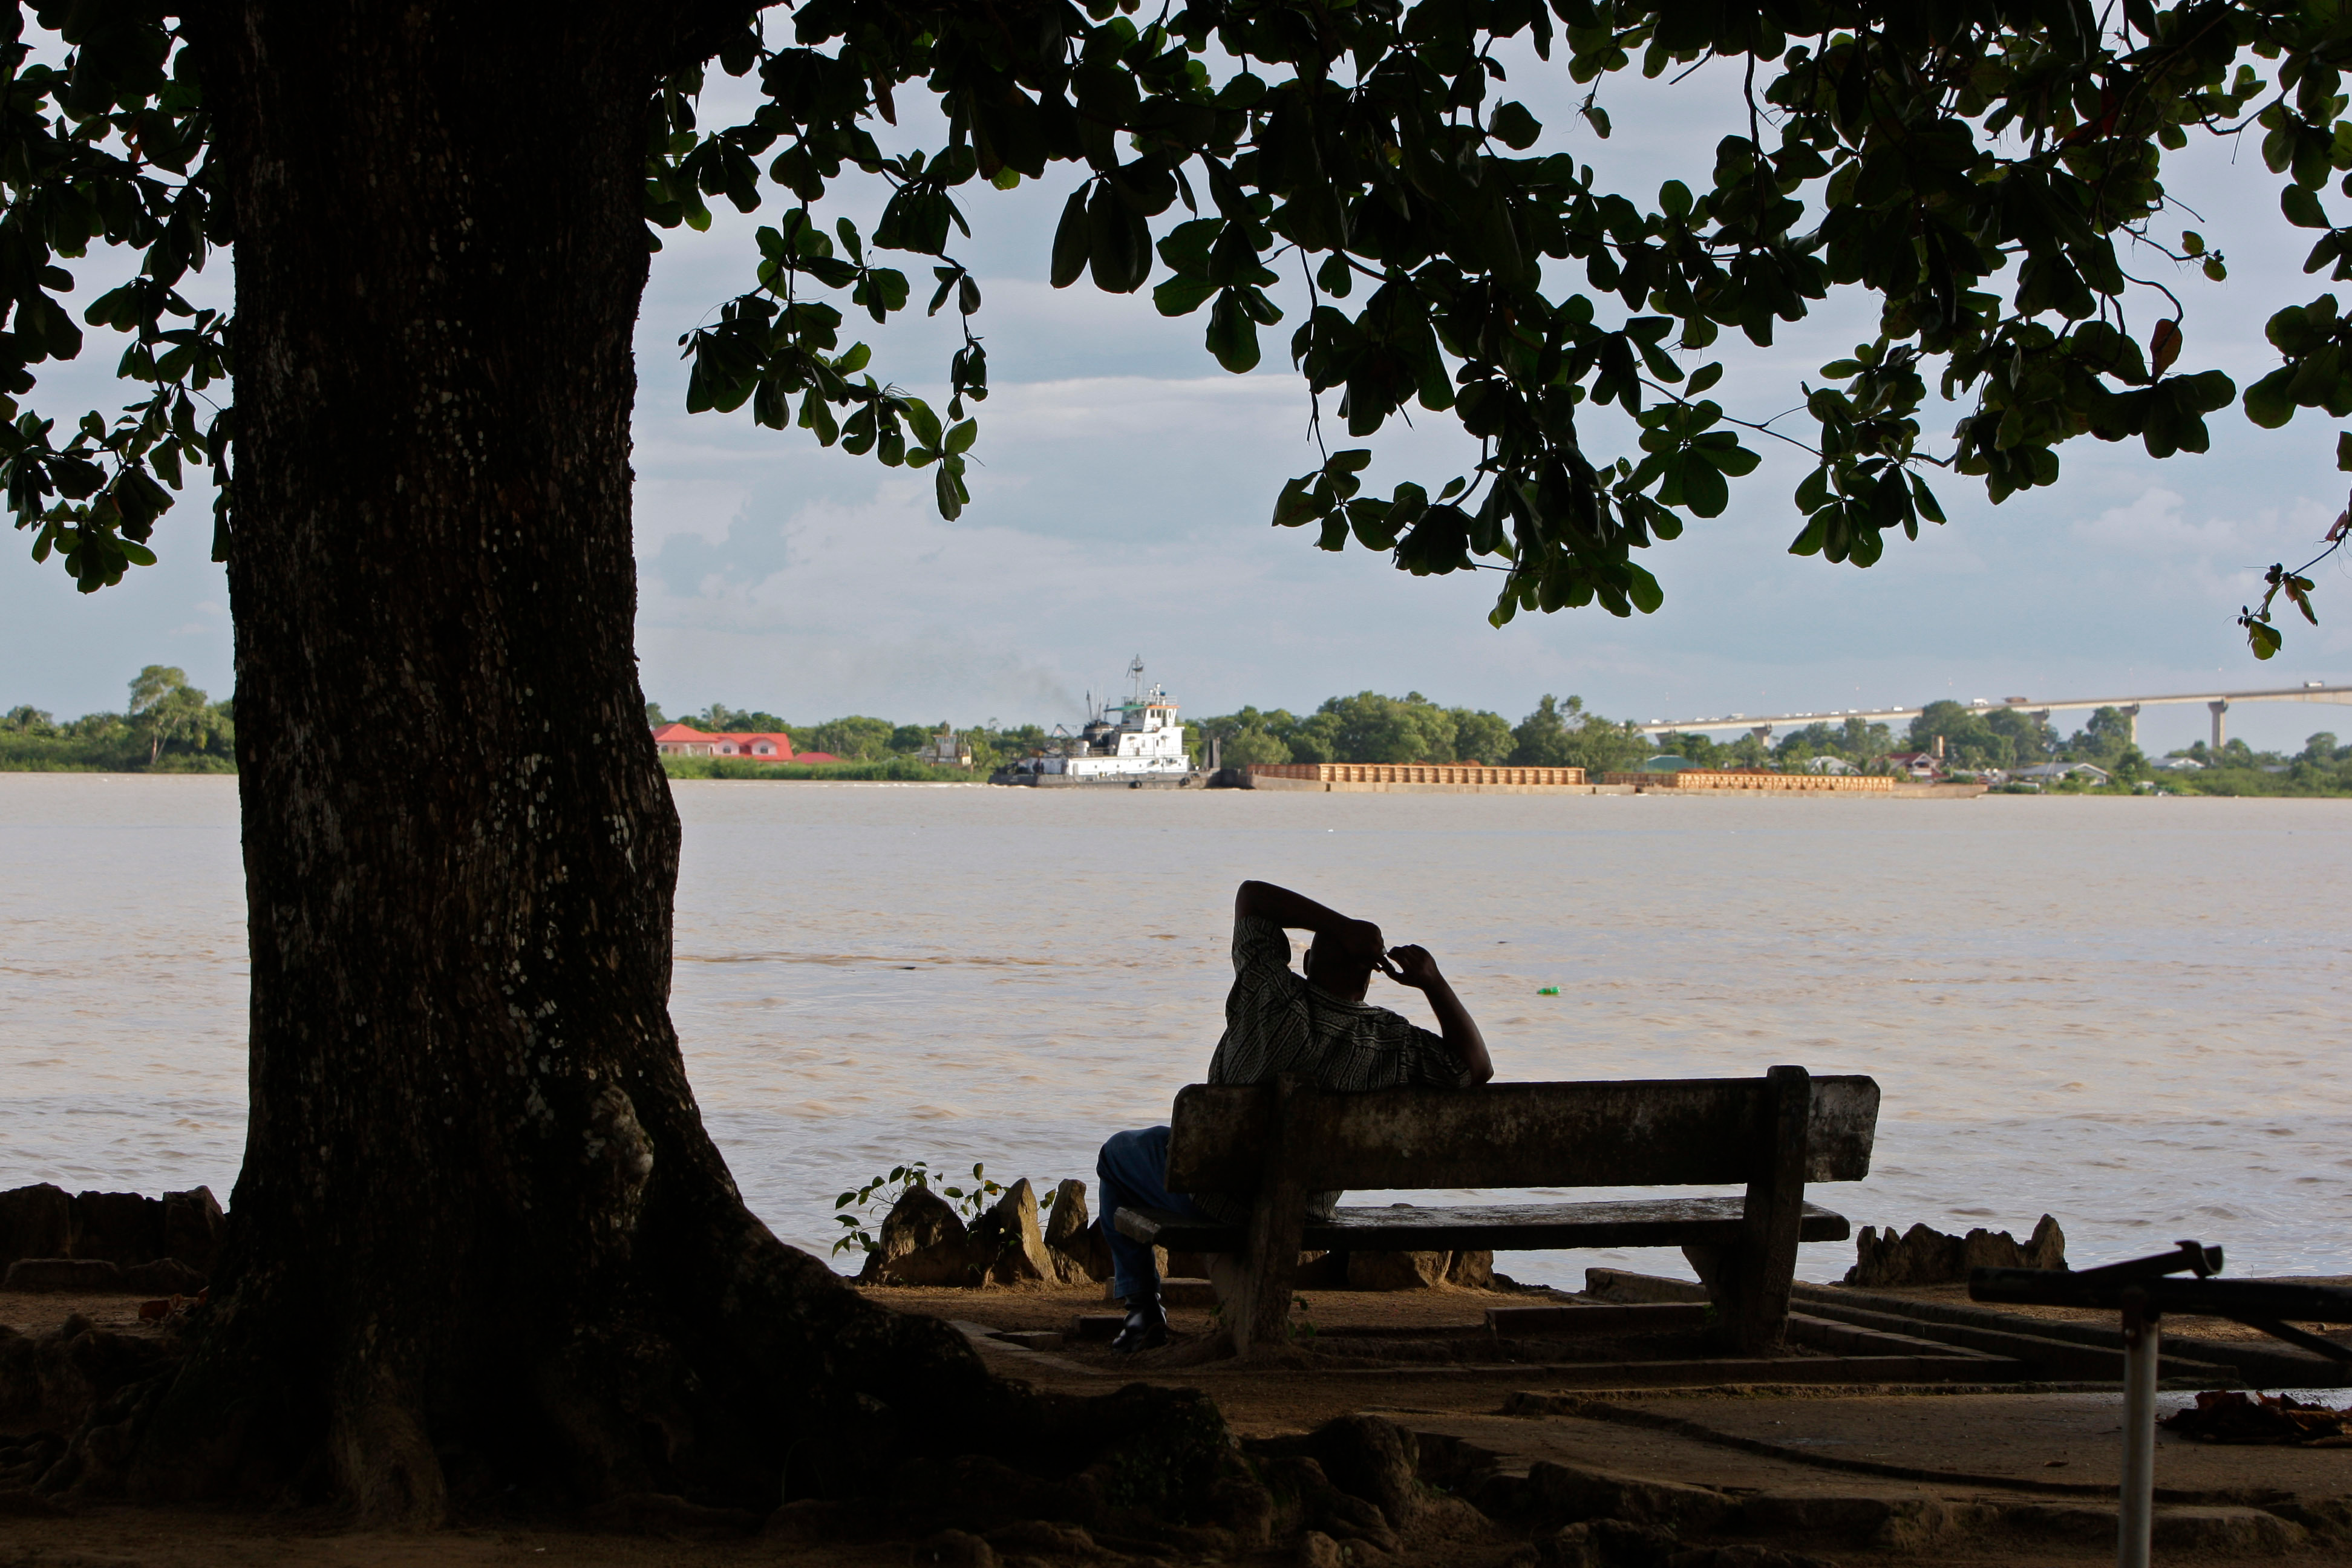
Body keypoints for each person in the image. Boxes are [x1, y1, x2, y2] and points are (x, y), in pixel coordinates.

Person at [1094, 879, 1493, 1352]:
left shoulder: (1269, 993)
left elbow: (1252, 897)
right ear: (1370, 977)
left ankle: (1143, 1310)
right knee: (1168, 1151)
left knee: (1116, 1156)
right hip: (1308, 1211)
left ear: (1305, 963)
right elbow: (1476, 1067)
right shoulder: (1390, 1042)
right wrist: (1432, 981)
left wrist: (1339, 926)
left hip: (1218, 1198)